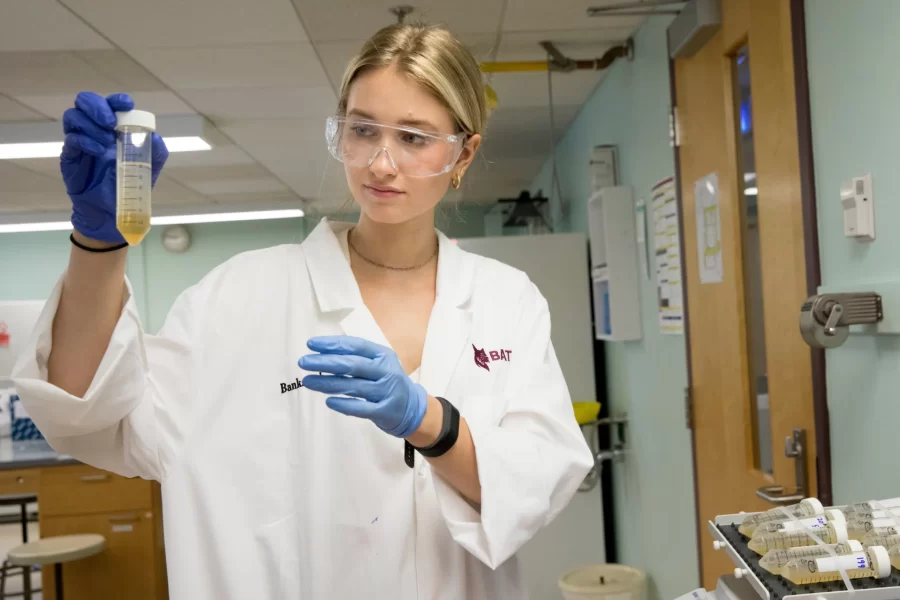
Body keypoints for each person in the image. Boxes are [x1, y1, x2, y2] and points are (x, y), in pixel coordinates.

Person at [12, 22, 593, 600]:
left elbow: (535, 482)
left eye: (414, 138)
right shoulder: (242, 295)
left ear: (463, 152)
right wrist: (98, 245)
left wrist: (430, 423)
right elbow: (90, 411)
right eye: (363, 130)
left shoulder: (505, 300)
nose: (382, 163)